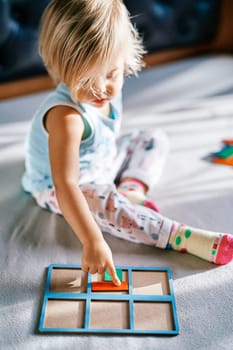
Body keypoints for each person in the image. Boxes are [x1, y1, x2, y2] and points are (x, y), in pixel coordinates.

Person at [22, 0, 233, 285]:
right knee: (103, 202)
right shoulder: (66, 118)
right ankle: (179, 236)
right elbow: (65, 185)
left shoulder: (107, 90)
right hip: (60, 187)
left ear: (124, 60)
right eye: (86, 80)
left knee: (151, 138)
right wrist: (93, 240)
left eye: (111, 74)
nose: (100, 89)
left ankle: (131, 189)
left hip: (103, 160)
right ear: (61, 68)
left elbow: (109, 138)